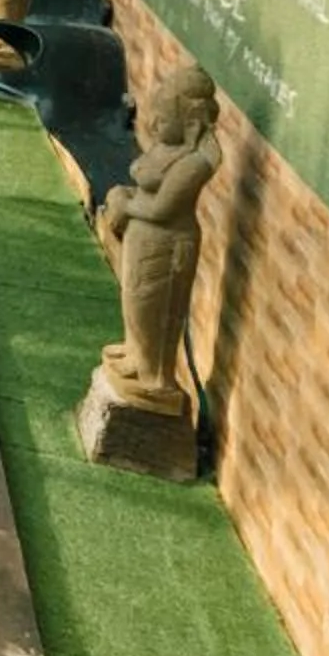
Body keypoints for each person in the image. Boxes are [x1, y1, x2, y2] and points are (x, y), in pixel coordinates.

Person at [98, 65, 223, 413]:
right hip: (141, 237)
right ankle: (136, 355)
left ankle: (154, 376)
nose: (153, 125)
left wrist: (124, 203)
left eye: (164, 119)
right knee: (135, 300)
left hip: (167, 244)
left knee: (154, 306)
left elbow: (163, 208)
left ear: (191, 123)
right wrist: (124, 198)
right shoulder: (165, 150)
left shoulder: (194, 163)